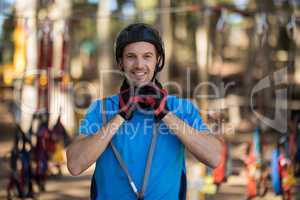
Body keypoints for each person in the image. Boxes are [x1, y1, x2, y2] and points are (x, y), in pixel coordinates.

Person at [66, 23, 222, 200]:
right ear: (120, 63)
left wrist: (165, 113)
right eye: (131, 57)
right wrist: (120, 115)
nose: (139, 65)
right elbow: (75, 165)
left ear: (158, 61)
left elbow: (214, 157)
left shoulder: (182, 109)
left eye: (147, 56)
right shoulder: (101, 109)